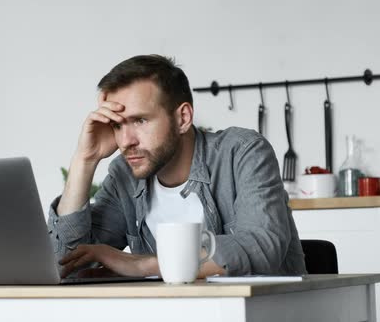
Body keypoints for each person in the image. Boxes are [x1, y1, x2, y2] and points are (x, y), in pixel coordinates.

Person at [47, 54, 306, 278]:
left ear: (182, 118)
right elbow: (64, 263)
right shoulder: (124, 176)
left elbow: (260, 247)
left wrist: (146, 265)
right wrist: (86, 158)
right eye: (117, 125)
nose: (126, 141)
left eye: (139, 121)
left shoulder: (242, 151)